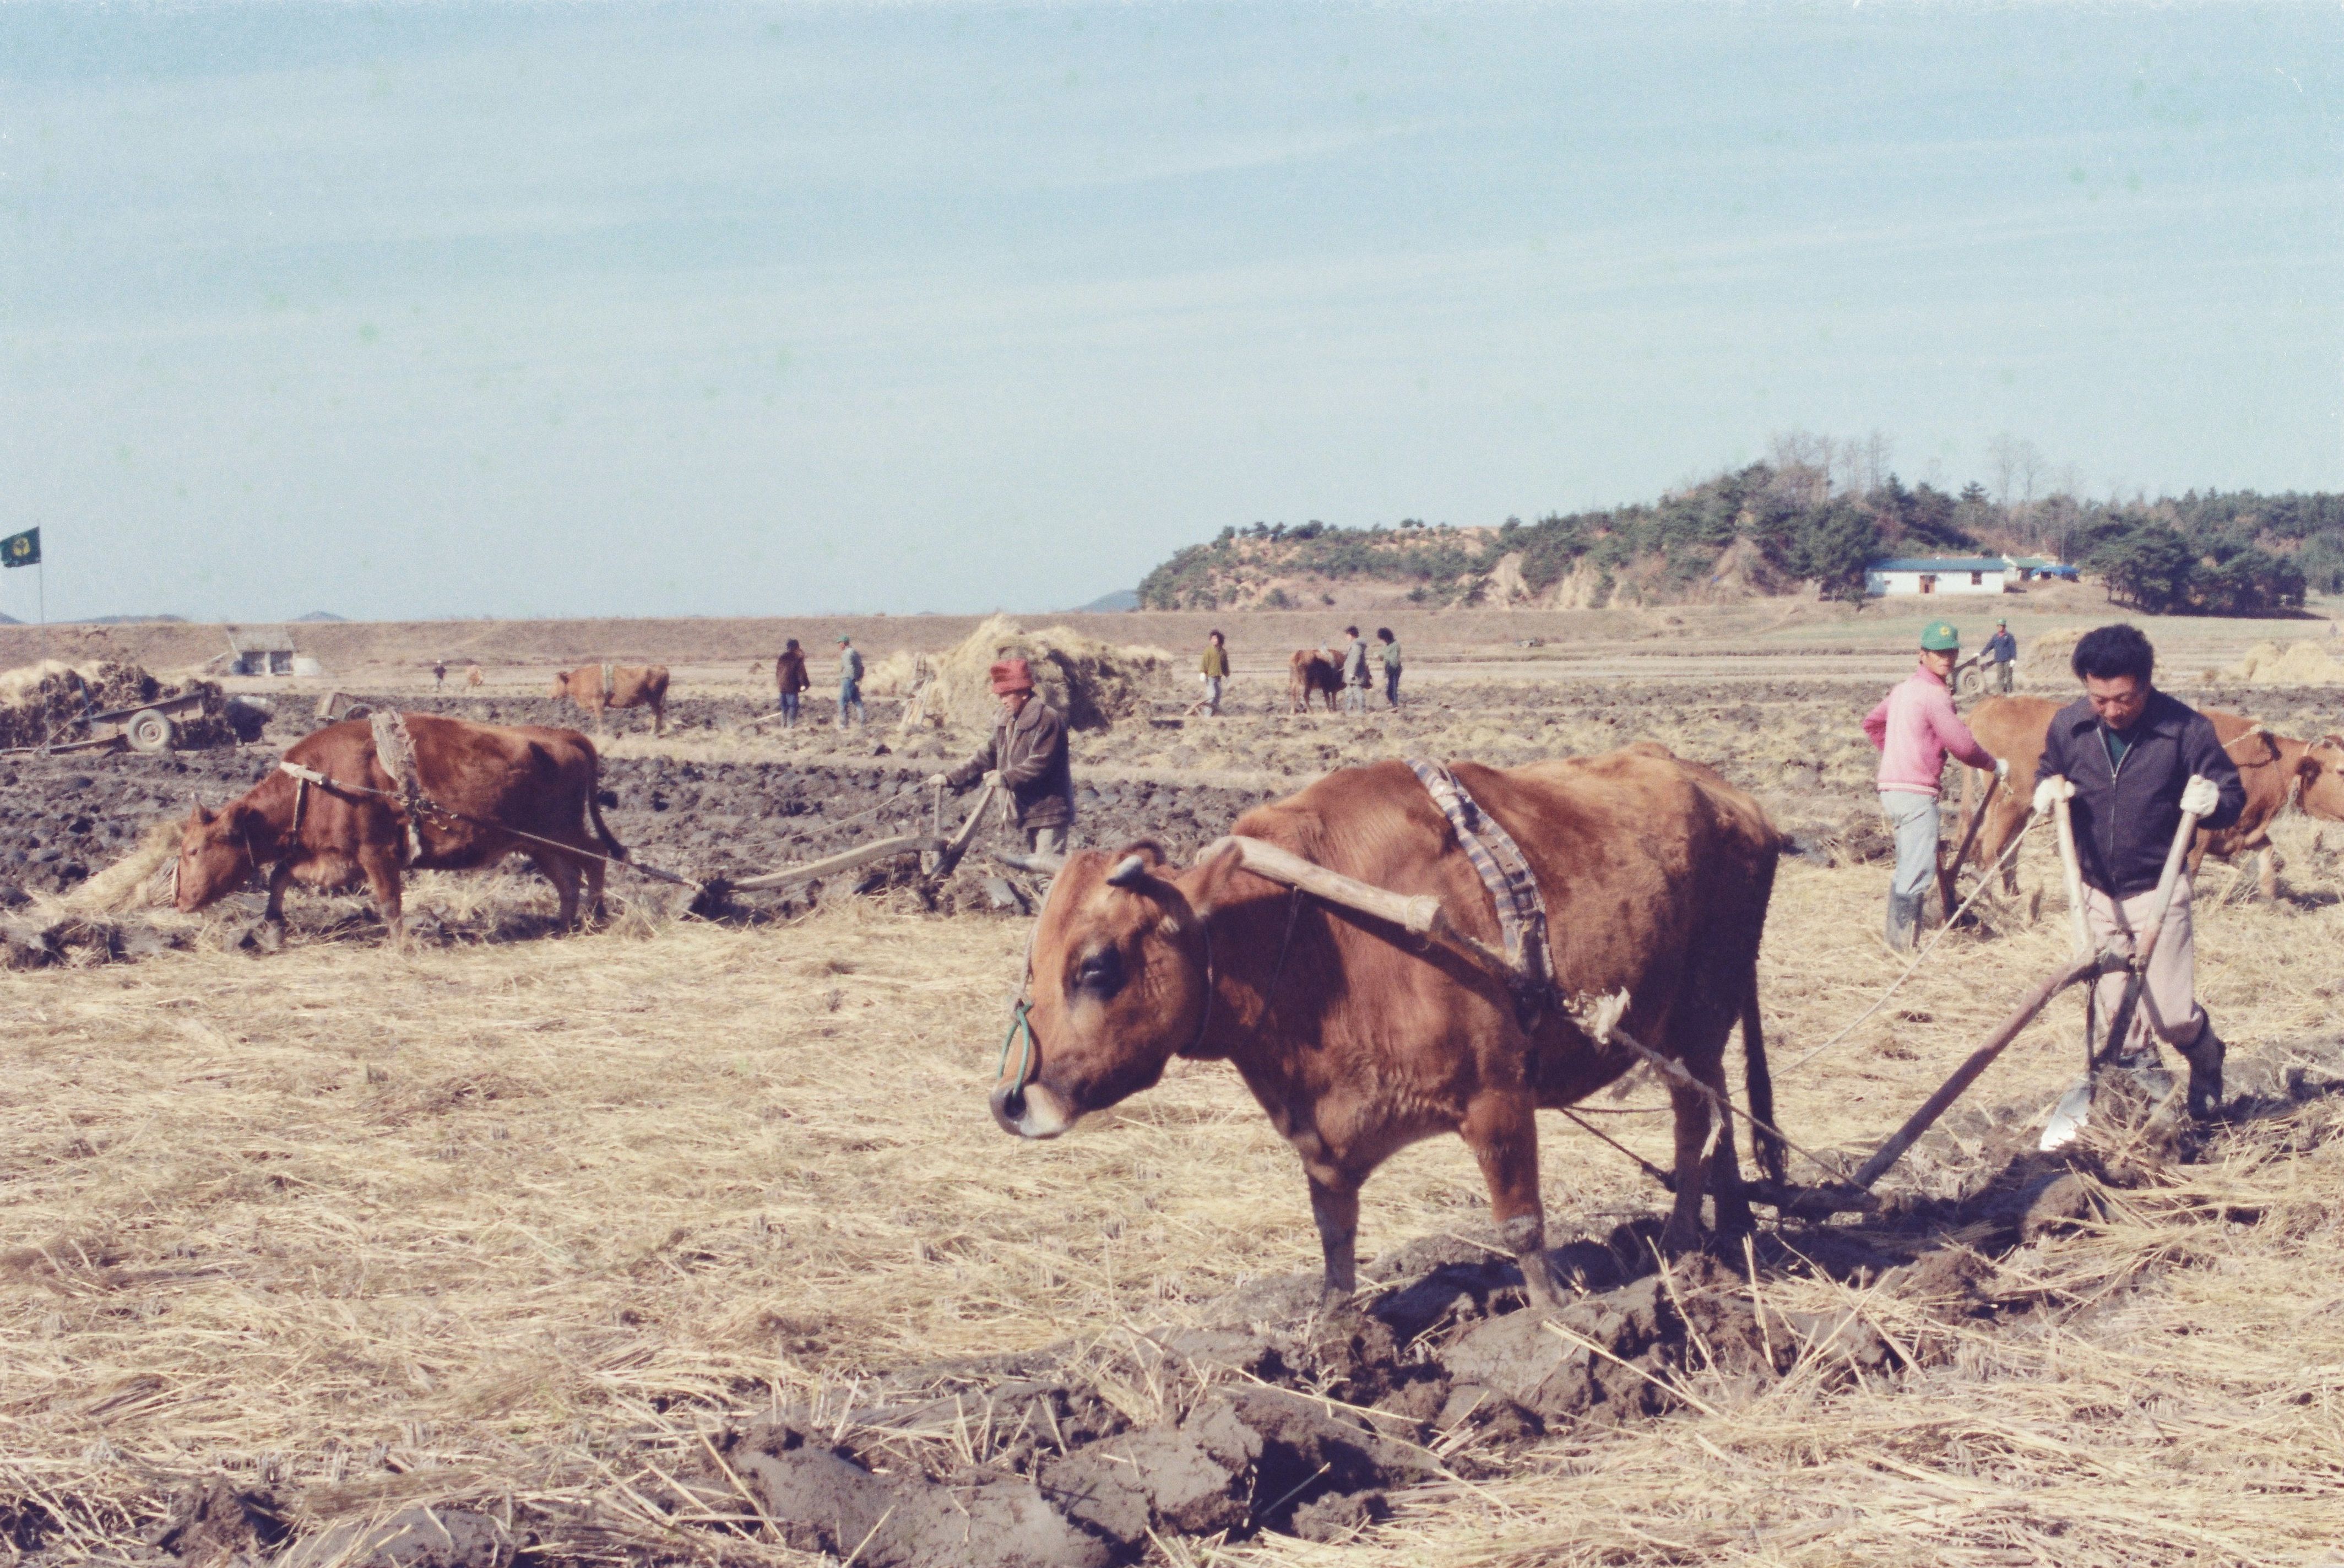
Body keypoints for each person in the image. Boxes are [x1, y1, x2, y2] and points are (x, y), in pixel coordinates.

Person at [2032, 623, 2244, 1124]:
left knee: (2170, 1016)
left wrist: (2214, 802)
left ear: (2145, 685)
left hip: (2159, 886)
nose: (2110, 710)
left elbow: (2232, 795)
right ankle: (2143, 1106)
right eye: (2098, 698)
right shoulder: (2070, 726)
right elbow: (2049, 767)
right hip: (2095, 889)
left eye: (2123, 698)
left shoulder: (2185, 729)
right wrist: (2046, 787)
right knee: (2121, 1020)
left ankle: (2207, 1052)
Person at [1862, 620, 2006, 951]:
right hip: (1915, 793)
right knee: (1918, 870)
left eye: (1951, 652)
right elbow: (1964, 747)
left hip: (1892, 791)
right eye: (1938, 653)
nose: (1946, 659)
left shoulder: (1902, 690)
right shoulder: (1934, 696)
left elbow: (1872, 723)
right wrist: (1993, 765)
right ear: (1922, 655)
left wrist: (1900, 752)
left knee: (1907, 865)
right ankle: (1901, 950)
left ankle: (1894, 943)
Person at [929, 658, 1074, 855]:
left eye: (1007, 694)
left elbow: (1039, 763)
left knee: (1046, 872)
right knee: (1035, 871)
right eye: (1000, 694)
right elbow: (987, 756)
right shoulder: (1006, 721)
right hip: (1025, 810)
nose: (1002, 699)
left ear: (1023, 692)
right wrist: (950, 779)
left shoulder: (1048, 719)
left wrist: (1006, 778)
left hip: (1049, 811)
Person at [774, 638, 810, 728]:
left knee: (784, 707)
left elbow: (778, 673)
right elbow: (801, 673)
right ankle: (790, 725)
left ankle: (783, 724)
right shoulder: (797, 658)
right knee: (793, 706)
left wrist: (779, 684)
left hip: (782, 686)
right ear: (796, 647)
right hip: (791, 686)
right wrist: (805, 684)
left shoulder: (782, 658)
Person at [1339, 625, 1371, 714]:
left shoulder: (1357, 646)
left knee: (1358, 692)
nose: (1346, 637)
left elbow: (1356, 660)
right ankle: (1348, 711)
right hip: (1352, 674)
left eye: (1347, 635)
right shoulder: (1355, 645)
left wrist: (1352, 673)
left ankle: (1362, 711)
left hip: (1356, 675)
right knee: (1349, 693)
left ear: (1352, 635)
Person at [1981, 618, 2019, 694]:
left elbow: (2013, 648)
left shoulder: (2009, 636)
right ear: (1997, 627)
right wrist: (1982, 654)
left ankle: (2009, 692)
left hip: (2008, 660)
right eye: (1999, 626)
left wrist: (2013, 659)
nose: (2001, 627)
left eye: (2002, 626)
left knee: (2008, 677)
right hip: (1999, 660)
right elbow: (1989, 646)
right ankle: (2000, 692)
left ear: (2005, 627)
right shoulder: (1995, 637)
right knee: (2000, 677)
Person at [1197, 630, 1229, 717]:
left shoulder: (1223, 652)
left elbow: (1225, 665)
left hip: (1218, 677)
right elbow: (1204, 662)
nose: (1215, 640)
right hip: (1210, 677)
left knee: (1218, 696)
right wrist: (1203, 673)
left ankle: (1213, 714)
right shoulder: (1208, 651)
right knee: (1212, 695)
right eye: (1213, 639)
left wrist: (1227, 676)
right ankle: (1207, 716)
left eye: (1216, 639)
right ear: (1211, 640)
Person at [836, 636, 865, 728]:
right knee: (857, 701)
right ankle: (862, 723)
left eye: (840, 643)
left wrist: (852, 678)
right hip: (855, 680)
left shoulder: (847, 654)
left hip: (848, 680)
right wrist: (858, 678)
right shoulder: (855, 652)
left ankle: (843, 724)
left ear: (844, 643)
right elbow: (862, 667)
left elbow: (849, 668)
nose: (839, 645)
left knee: (842, 701)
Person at [1376, 627, 1402, 709]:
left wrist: (1385, 657)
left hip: (1395, 669)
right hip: (1388, 669)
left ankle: (1395, 705)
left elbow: (1394, 659)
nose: (1384, 641)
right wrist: (1379, 655)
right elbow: (1384, 654)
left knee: (1394, 687)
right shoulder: (1387, 646)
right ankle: (1391, 702)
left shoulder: (1396, 645)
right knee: (1389, 688)